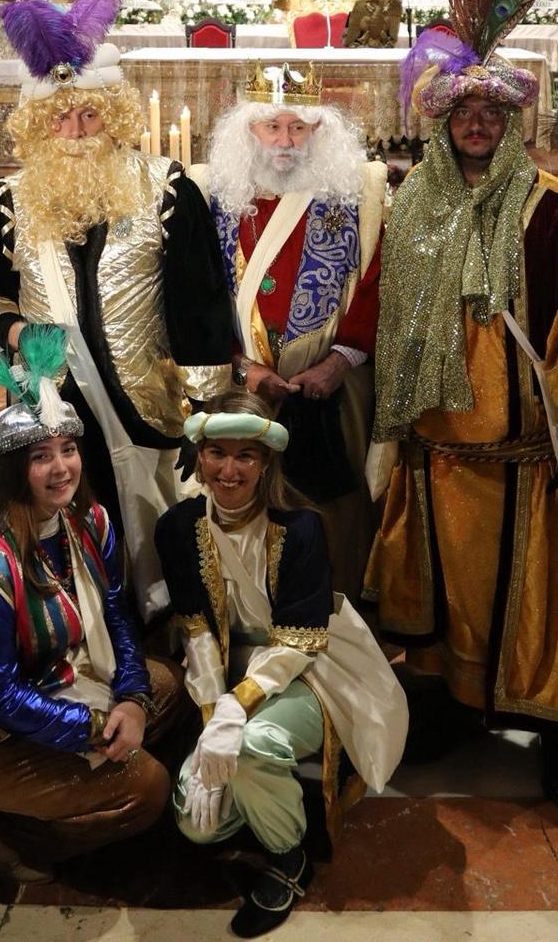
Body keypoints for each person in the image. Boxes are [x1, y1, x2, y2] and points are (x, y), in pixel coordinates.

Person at [367, 0, 558, 806]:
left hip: (527, 458)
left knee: (542, 605)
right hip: (442, 453)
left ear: (514, 123)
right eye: (463, 114)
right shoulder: (413, 209)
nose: (477, 126)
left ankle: (555, 731)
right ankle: (458, 712)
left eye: (492, 115)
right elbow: (394, 323)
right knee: (455, 604)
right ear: (444, 124)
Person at [0, 0, 232, 619]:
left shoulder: (168, 189)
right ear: (39, 124)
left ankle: (167, 656)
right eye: (60, 119)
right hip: (54, 413)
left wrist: (203, 408)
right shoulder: (9, 202)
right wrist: (10, 332)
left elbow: (199, 304)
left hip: (149, 407)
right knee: (66, 557)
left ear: (112, 116)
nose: (76, 132)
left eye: (89, 116)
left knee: (162, 559)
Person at [156, 394, 408, 937]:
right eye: (217, 453)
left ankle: (289, 857)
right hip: (225, 675)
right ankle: (261, 791)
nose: (229, 470)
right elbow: (196, 631)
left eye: (245, 455)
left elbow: (298, 643)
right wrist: (211, 721)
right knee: (194, 822)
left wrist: (236, 712)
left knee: (249, 746)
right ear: (198, 456)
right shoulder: (176, 528)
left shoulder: (302, 529)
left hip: (310, 665)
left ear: (266, 462)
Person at [0, 330, 183, 877]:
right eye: (40, 457)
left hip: (69, 679)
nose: (62, 469)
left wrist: (132, 699)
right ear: (12, 469)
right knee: (149, 788)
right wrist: (99, 727)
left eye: (68, 450)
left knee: (168, 688)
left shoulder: (88, 522)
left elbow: (118, 614)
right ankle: (17, 833)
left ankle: (80, 802)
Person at [190, 65, 385, 598]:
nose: (285, 141)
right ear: (247, 132)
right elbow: (199, 294)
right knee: (244, 502)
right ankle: (248, 610)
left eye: (298, 128)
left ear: (319, 133)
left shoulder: (356, 194)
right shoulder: (214, 196)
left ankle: (335, 613)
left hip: (332, 387)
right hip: (242, 385)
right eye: (272, 127)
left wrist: (340, 360)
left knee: (332, 514)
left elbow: (374, 281)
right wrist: (241, 365)